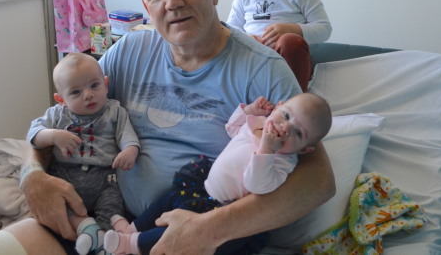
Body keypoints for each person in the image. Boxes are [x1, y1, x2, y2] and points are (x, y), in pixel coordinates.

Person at [0, 0, 335, 255]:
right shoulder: (130, 52)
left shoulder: (262, 69)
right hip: (100, 218)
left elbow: (318, 180)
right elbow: (58, 118)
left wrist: (208, 231)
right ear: (146, 6)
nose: (173, 2)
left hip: (191, 229)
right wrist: (32, 175)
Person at [103, 93, 332, 255]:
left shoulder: (283, 160)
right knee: (167, 200)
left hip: (220, 208)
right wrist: (249, 111)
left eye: (298, 132)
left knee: (178, 232)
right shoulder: (258, 124)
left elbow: (258, 186)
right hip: (204, 185)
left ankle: (129, 244)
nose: (285, 128)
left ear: (305, 150)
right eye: (286, 115)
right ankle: (132, 227)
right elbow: (232, 129)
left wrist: (267, 150)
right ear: (278, 105)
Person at [27, 53, 140, 255]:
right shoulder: (56, 115)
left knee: (112, 204)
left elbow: (127, 135)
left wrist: (130, 150)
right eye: (76, 92)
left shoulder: (114, 111)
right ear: (61, 99)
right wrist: (54, 136)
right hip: (65, 174)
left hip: (104, 177)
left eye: (94, 86)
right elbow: (33, 135)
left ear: (105, 84)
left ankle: (106, 240)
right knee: (58, 206)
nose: (88, 95)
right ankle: (86, 227)